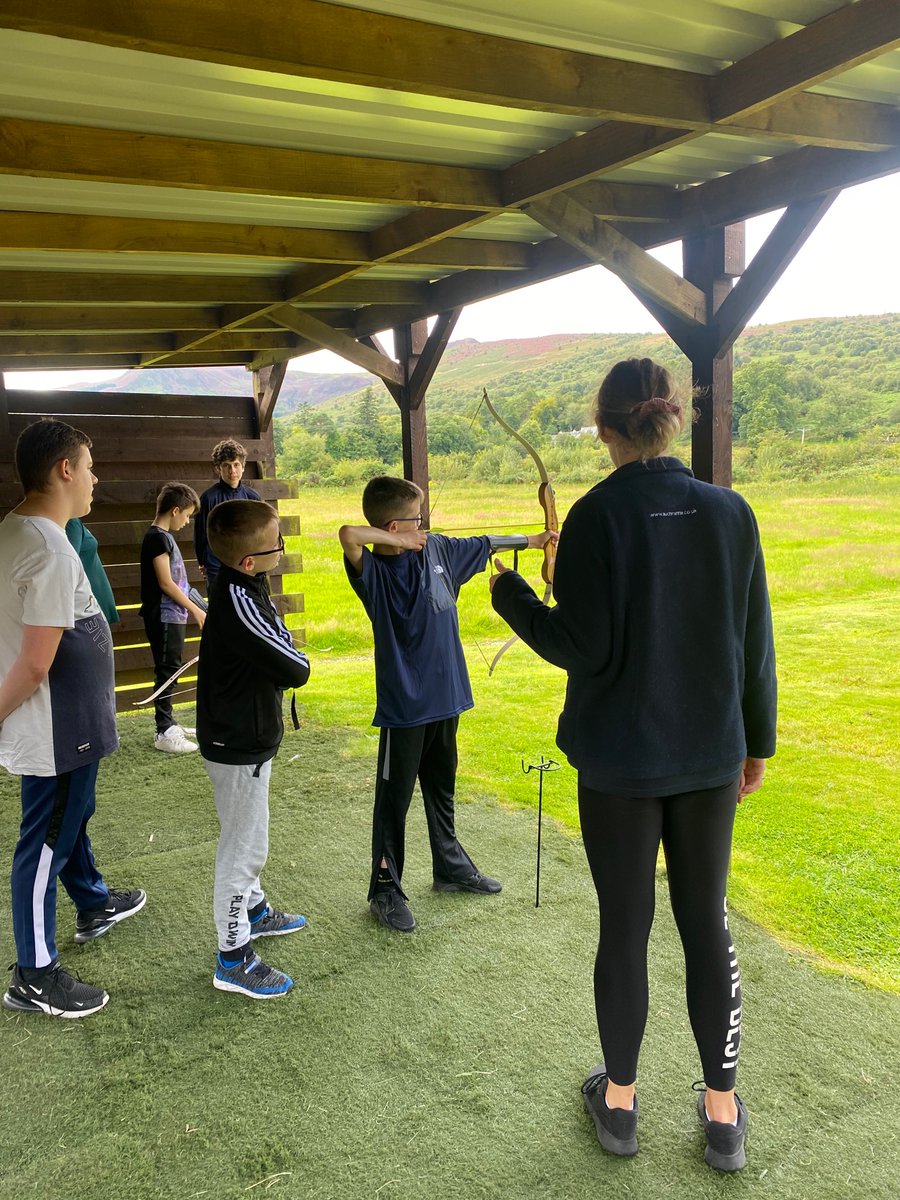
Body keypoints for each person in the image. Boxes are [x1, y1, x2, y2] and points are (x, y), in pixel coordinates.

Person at [489, 358, 776, 1172]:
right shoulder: (731, 512)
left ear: (606, 428)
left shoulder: (595, 516)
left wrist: (513, 596)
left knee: (627, 927)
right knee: (705, 922)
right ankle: (722, 1115)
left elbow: (582, 643)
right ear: (673, 419)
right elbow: (755, 643)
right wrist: (758, 742)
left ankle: (619, 1106)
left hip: (619, 763)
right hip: (710, 756)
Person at [339, 475, 558, 933]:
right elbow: (350, 536)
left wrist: (535, 539)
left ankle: (450, 867)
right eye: (417, 520)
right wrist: (397, 537)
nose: (426, 526)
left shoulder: (438, 552)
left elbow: (485, 541)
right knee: (393, 801)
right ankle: (384, 887)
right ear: (393, 526)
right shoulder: (374, 574)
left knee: (442, 787)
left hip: (447, 696)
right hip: (404, 707)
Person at [0, 419, 146, 1019]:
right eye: (89, 466)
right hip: (57, 727)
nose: (95, 479)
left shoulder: (23, 531)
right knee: (43, 843)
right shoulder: (48, 549)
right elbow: (36, 665)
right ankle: (34, 976)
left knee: (67, 817)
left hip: (69, 725)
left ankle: (91, 901)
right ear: (64, 469)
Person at [196, 499, 310, 999]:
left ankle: (255, 912)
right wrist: (295, 655)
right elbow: (295, 665)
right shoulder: (240, 600)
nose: (282, 549)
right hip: (237, 742)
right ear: (249, 561)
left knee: (247, 837)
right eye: (276, 544)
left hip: (245, 735)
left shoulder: (248, 584)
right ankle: (233, 956)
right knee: (244, 849)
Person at [139, 483, 207, 753]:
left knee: (172, 668)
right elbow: (167, 584)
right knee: (167, 671)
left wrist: (200, 604)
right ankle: (164, 731)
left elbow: (180, 584)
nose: (187, 521)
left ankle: (169, 723)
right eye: (187, 515)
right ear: (175, 510)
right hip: (164, 616)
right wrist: (195, 609)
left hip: (173, 615)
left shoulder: (164, 537)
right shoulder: (158, 538)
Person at [194, 439, 261, 593]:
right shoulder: (208, 498)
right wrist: (202, 562)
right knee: (221, 609)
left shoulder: (253, 498)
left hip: (246, 565)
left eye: (236, 465)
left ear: (243, 467)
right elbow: (200, 534)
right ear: (218, 468)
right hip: (216, 565)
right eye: (226, 466)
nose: (232, 471)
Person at [65, 518, 119, 627]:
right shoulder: (71, 523)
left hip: (93, 606)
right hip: (87, 610)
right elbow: (68, 567)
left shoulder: (74, 522)